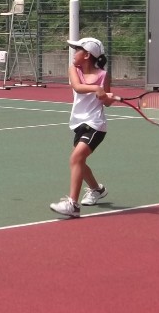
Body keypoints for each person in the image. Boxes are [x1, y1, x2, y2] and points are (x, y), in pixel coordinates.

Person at [50, 37, 115, 218]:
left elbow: (106, 102)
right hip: (78, 123)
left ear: (87, 55)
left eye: (77, 49)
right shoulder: (74, 69)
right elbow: (78, 87)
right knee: (79, 161)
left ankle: (73, 205)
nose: (73, 53)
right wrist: (97, 89)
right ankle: (97, 189)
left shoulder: (104, 75)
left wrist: (107, 96)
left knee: (75, 159)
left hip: (95, 124)